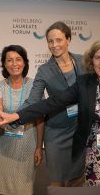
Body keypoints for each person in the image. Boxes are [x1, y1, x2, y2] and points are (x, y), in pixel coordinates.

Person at [0, 39, 100, 195]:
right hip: (97, 155)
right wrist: (15, 116)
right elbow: (52, 103)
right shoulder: (84, 83)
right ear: (92, 61)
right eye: (97, 57)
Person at [22, 21, 85, 187]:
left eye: (58, 40)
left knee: (78, 178)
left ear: (68, 39)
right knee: (57, 179)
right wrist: (13, 115)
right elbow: (33, 100)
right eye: (50, 41)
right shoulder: (44, 69)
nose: (54, 45)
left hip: (80, 130)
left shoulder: (84, 61)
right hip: (56, 131)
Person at [0, 45, 44, 195]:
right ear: (4, 64)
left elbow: (40, 119)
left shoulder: (35, 86)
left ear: (25, 62)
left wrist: (39, 147)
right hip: (4, 143)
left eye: (18, 59)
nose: (14, 64)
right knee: (4, 188)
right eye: (9, 60)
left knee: (25, 189)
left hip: (29, 143)